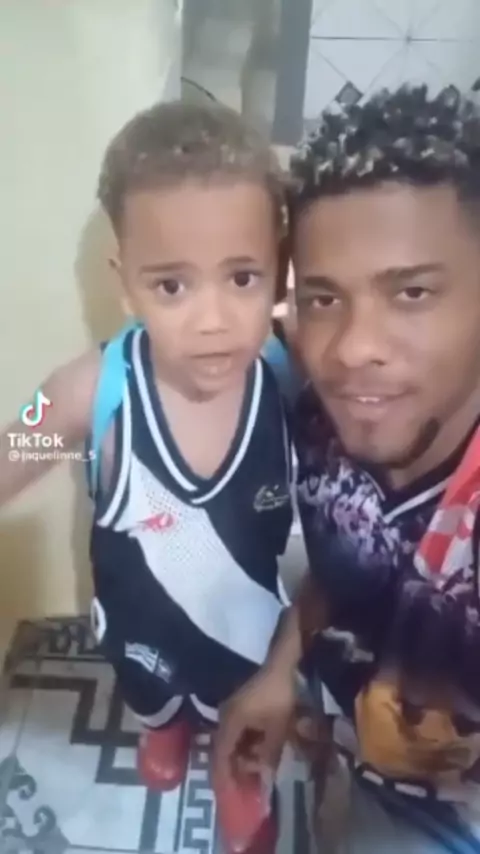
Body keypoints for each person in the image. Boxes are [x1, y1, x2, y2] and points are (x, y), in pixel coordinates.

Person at [0, 101, 294, 854]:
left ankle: (236, 773)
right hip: (138, 629)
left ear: (278, 269)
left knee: (242, 716)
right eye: (172, 287)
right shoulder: (86, 390)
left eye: (242, 277)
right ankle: (164, 730)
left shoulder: (288, 379)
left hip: (248, 630)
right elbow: (10, 453)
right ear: (125, 283)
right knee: (154, 699)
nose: (212, 319)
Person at [214, 84, 480, 852]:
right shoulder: (318, 418)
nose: (354, 348)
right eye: (325, 299)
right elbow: (345, 556)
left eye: (412, 292)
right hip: (346, 742)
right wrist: (281, 671)